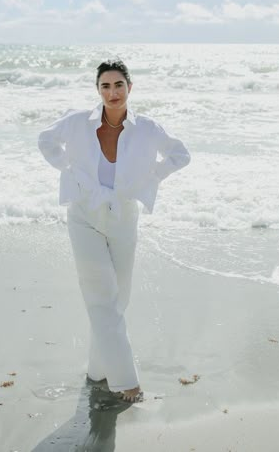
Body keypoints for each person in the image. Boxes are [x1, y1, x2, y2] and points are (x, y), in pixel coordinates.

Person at [38, 59, 190, 403]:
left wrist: (150, 178)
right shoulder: (78, 123)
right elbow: (46, 140)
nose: (112, 92)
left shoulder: (148, 128)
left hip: (124, 218)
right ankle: (126, 381)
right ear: (98, 91)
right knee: (100, 295)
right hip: (83, 216)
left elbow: (180, 154)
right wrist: (69, 171)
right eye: (105, 86)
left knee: (118, 298)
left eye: (118, 85)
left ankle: (98, 370)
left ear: (130, 88)